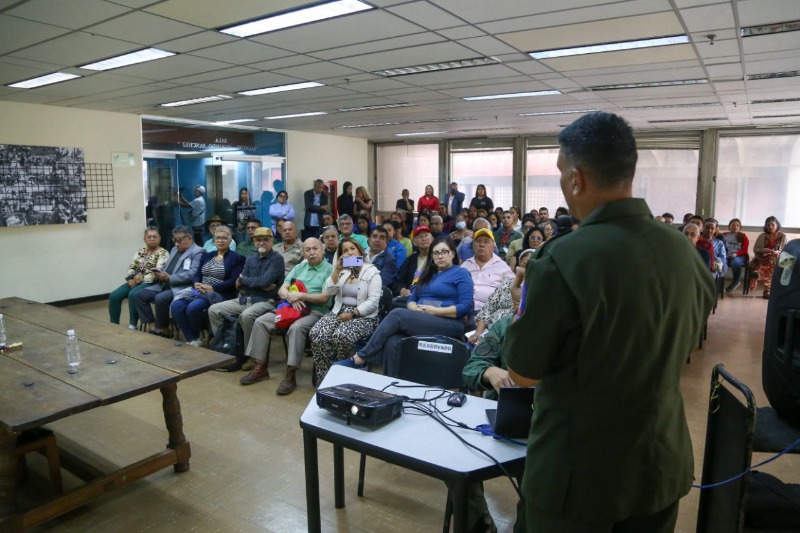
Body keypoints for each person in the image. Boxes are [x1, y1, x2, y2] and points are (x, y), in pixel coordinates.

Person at [504, 111, 715, 532]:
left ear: (577, 180)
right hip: (659, 467)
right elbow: (687, 344)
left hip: (579, 479)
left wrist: (518, 306)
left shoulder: (562, 260)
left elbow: (523, 374)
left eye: (563, 174)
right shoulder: (684, 251)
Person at [335, 237, 473, 376]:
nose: (440, 256)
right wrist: (414, 308)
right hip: (422, 317)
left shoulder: (461, 273)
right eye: (436, 253)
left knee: (397, 314)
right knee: (392, 341)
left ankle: (360, 358)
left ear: (453, 254)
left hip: (448, 322)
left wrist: (435, 311)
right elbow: (412, 299)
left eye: (444, 252)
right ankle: (391, 385)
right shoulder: (428, 274)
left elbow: (466, 306)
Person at [239, 238, 334, 394]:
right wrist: (291, 297)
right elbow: (282, 290)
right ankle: (260, 367)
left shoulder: (330, 270)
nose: (312, 253)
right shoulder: (299, 267)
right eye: (308, 250)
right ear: (303, 253)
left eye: (315, 249)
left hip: (315, 310)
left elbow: (324, 298)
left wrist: (301, 296)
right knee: (261, 321)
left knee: (296, 328)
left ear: (322, 249)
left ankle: (291, 374)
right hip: (290, 307)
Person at [208, 227, 285, 368]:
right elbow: (240, 283)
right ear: (254, 241)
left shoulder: (277, 259)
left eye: (265, 240)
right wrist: (252, 282)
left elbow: (264, 281)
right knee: (214, 309)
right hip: (246, 298)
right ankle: (227, 346)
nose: (261, 243)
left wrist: (247, 280)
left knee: (247, 316)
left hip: (267, 301)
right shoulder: (251, 259)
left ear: (272, 241)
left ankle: (252, 356)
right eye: (258, 240)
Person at [309, 238, 382, 383]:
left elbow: (373, 301)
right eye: (345, 251)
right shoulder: (343, 271)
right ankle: (325, 377)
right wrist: (336, 269)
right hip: (339, 311)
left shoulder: (372, 271)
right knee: (317, 334)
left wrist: (354, 313)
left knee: (341, 336)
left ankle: (339, 374)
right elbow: (329, 291)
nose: (349, 253)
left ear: (359, 250)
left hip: (363, 315)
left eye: (352, 249)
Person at [170, 226, 245, 346]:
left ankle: (196, 336)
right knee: (176, 306)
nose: (220, 241)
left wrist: (212, 288)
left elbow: (233, 281)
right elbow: (197, 274)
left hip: (220, 293)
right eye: (218, 238)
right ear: (214, 240)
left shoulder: (236, 258)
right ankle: (192, 339)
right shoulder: (208, 255)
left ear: (230, 240)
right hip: (200, 290)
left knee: (193, 307)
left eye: (224, 238)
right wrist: (196, 283)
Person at [135, 225, 204, 337]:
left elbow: (191, 274)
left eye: (180, 240)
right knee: (139, 295)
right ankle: (153, 326)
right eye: (174, 240)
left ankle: (163, 329)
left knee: (160, 298)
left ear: (189, 238)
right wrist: (159, 272)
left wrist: (169, 278)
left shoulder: (198, 252)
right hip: (164, 283)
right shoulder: (174, 249)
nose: (176, 244)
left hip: (182, 288)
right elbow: (167, 267)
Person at [467, 248, 532, 345]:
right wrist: (478, 333)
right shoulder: (508, 283)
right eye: (523, 265)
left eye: (531, 266)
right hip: (490, 333)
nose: (526, 270)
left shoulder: (540, 289)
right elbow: (487, 309)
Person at [108, 226, 168, 329]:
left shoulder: (163, 253)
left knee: (133, 294)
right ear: (144, 239)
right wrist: (133, 276)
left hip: (152, 282)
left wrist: (140, 279)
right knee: (114, 296)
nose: (152, 239)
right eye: (149, 237)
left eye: (155, 236)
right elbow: (132, 266)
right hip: (134, 280)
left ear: (159, 238)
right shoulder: (140, 251)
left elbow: (157, 272)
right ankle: (114, 324)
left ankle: (133, 324)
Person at [461, 228, 513, 315]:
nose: (482, 244)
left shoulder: (502, 267)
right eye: (478, 241)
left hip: (488, 312)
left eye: (486, 242)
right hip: (464, 308)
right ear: (473, 246)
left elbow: (512, 288)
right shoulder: (465, 265)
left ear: (493, 246)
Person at [750, 215, 787, 299]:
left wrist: (778, 252)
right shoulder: (762, 236)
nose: (770, 227)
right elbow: (756, 249)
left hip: (777, 259)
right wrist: (763, 250)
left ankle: (757, 274)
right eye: (768, 225)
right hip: (762, 258)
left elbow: (787, 250)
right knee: (768, 262)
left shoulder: (783, 236)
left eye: (772, 225)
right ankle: (766, 290)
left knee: (772, 260)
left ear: (777, 225)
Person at [396, 225, 432, 298]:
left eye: (426, 235)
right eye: (420, 236)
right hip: (409, 296)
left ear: (432, 239)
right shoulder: (411, 259)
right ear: (414, 242)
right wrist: (401, 289)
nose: (424, 238)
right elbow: (399, 279)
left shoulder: (436, 258)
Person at [365, 226, 398, 292]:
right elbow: (352, 273)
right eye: (374, 236)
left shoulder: (390, 259)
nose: (377, 240)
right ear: (369, 240)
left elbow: (381, 282)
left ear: (387, 243)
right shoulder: (360, 254)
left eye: (382, 238)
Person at [723, 218, 749, 292]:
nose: (735, 227)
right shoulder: (724, 235)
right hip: (726, 255)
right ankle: (720, 283)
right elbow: (720, 246)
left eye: (737, 225)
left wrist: (736, 254)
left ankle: (736, 281)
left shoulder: (743, 236)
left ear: (740, 228)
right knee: (722, 263)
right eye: (733, 225)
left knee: (734, 262)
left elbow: (745, 250)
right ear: (729, 227)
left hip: (739, 256)